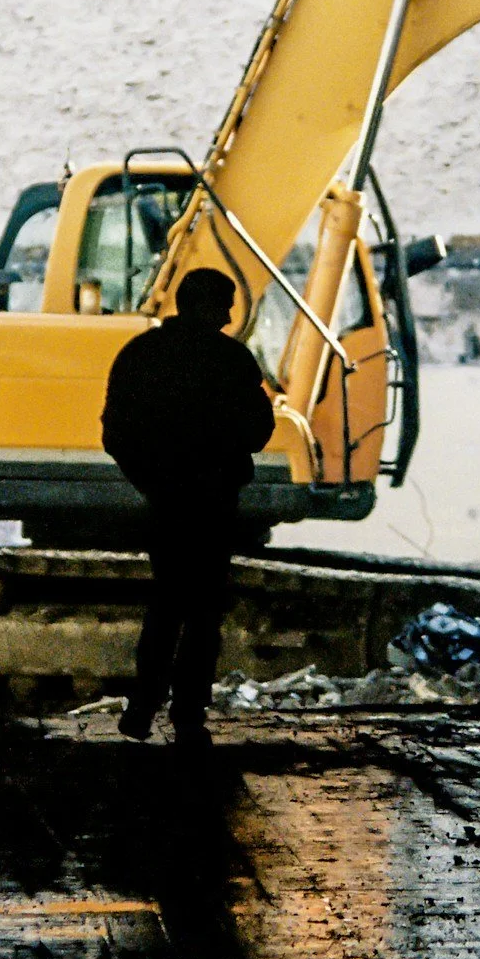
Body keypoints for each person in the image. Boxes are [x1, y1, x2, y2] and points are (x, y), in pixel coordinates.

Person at [100, 266, 276, 747]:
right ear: (213, 306)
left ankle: (142, 707)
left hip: (166, 501)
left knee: (166, 604)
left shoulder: (141, 354)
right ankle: (188, 716)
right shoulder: (232, 360)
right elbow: (259, 431)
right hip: (215, 503)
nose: (230, 312)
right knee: (203, 613)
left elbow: (115, 432)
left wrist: (154, 482)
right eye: (225, 302)